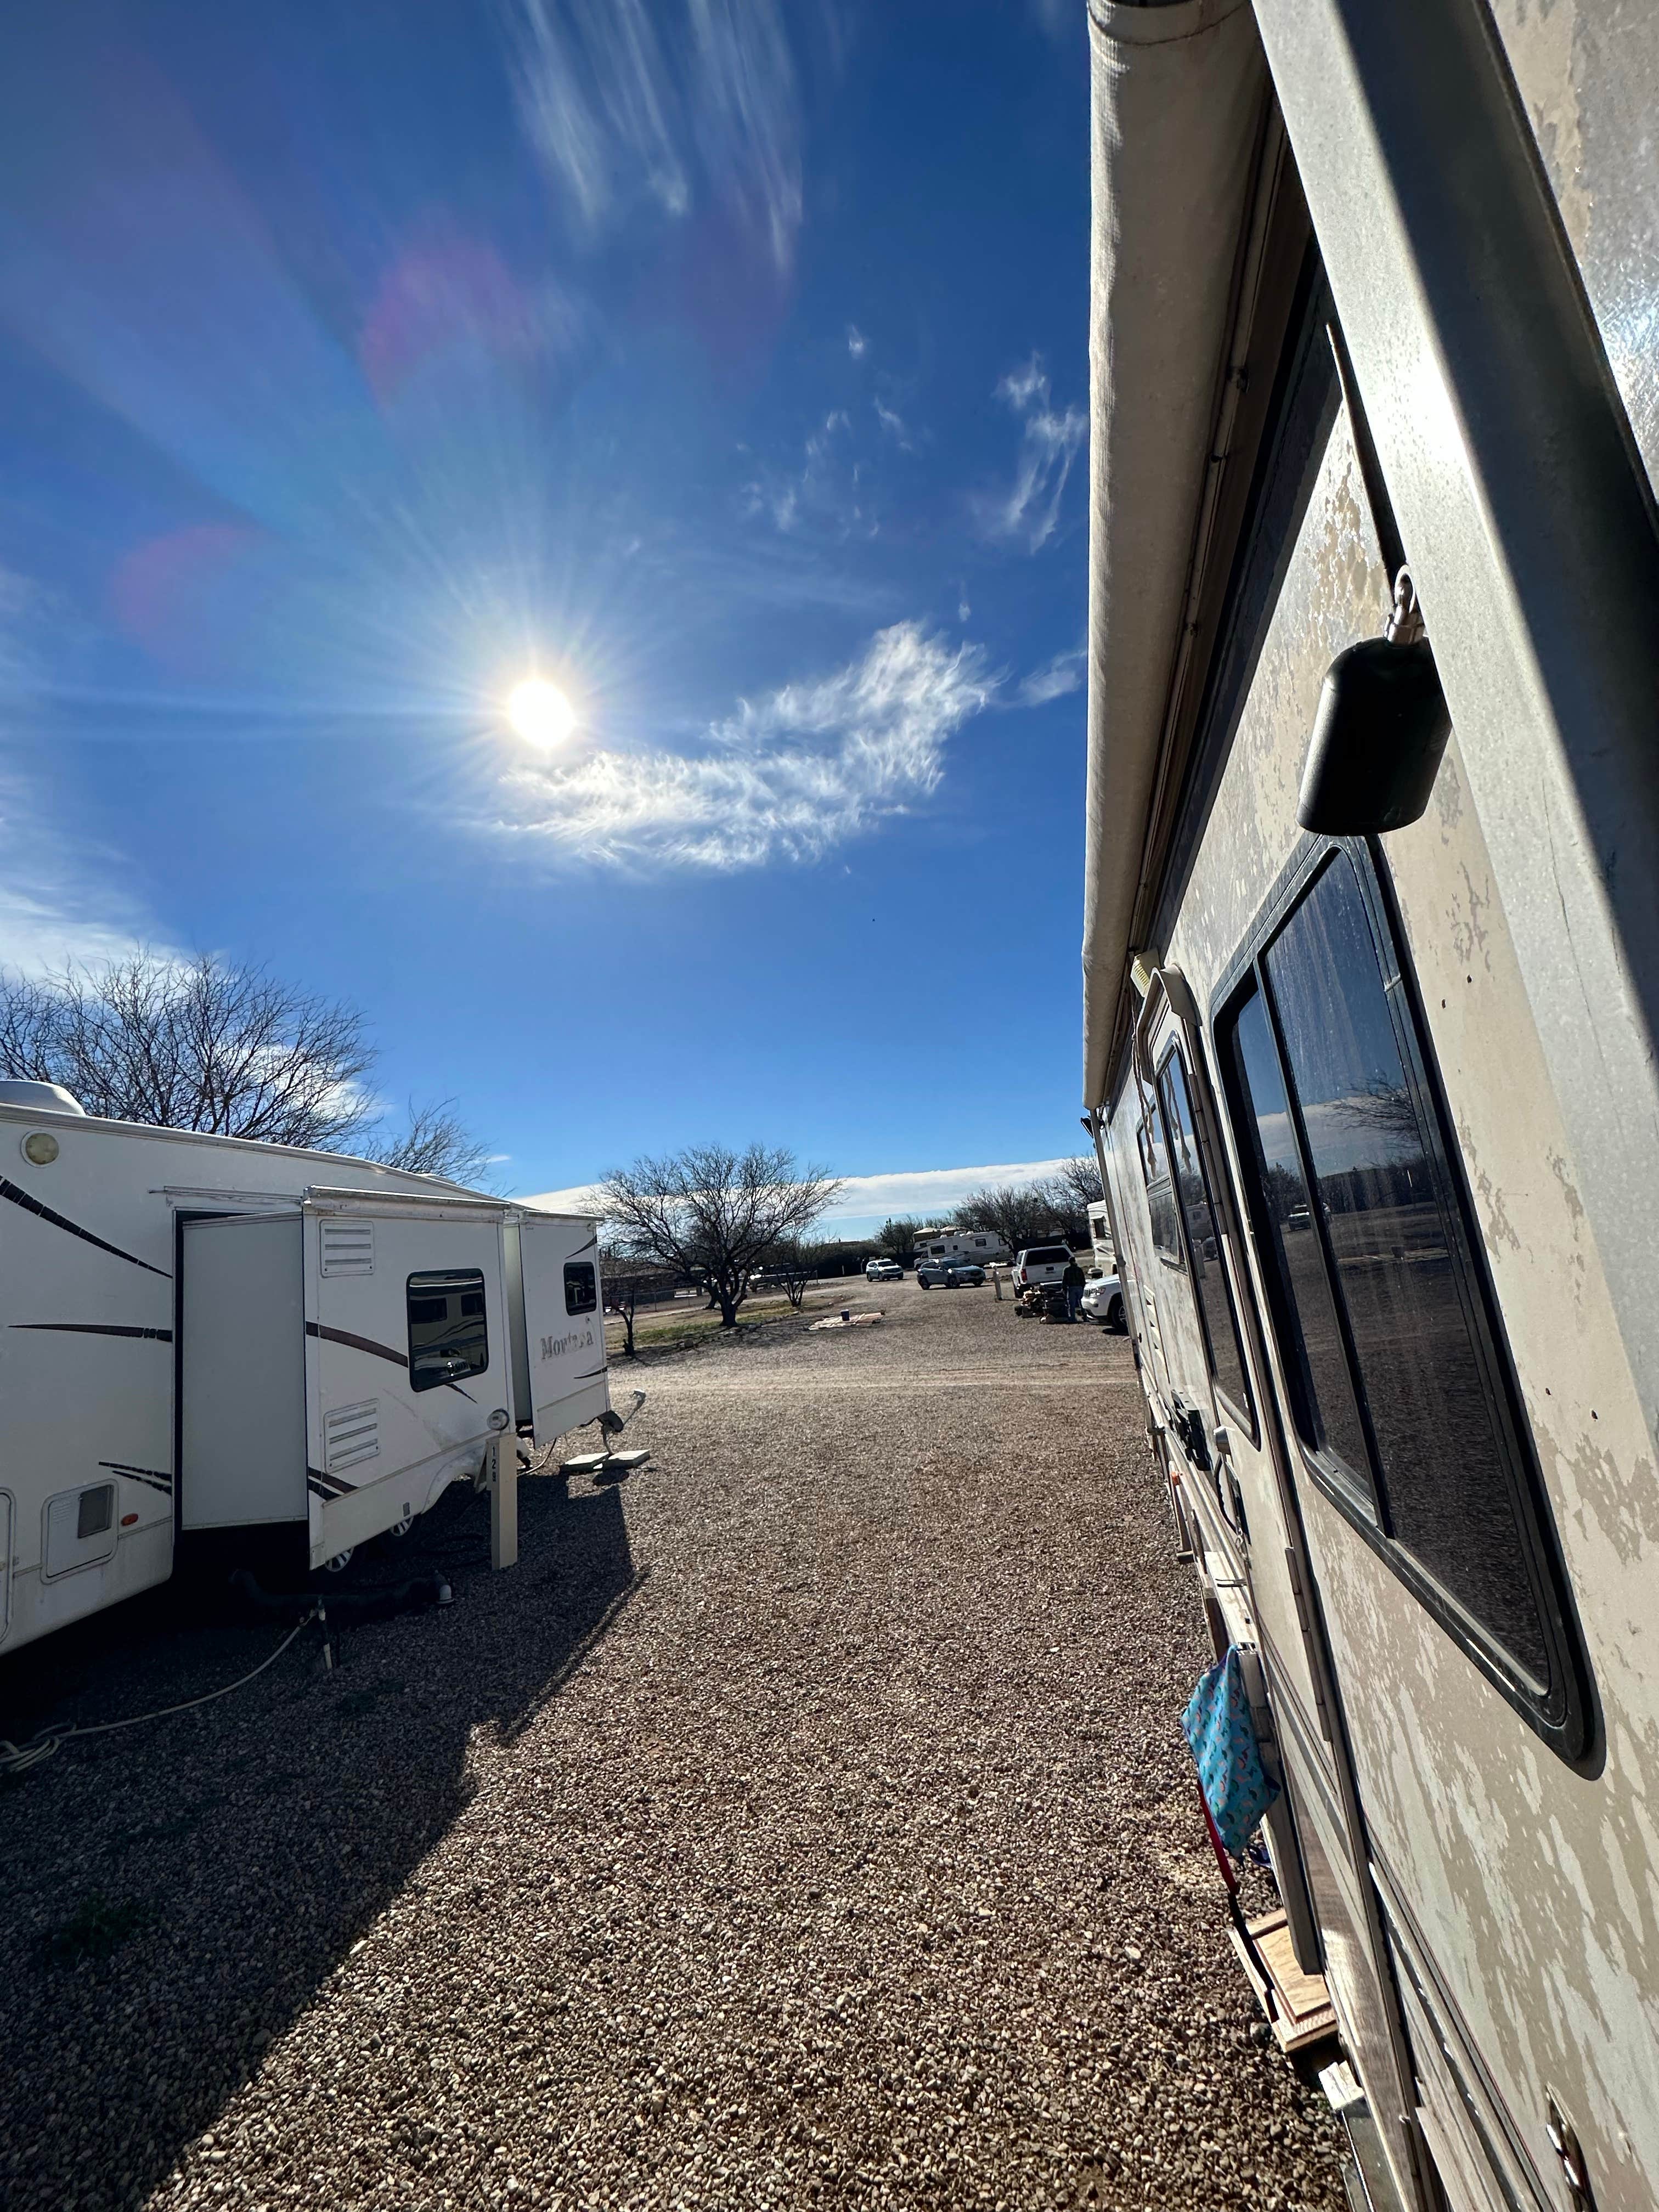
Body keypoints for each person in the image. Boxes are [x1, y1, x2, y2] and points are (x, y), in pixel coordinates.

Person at [1062, 1255, 1086, 1321]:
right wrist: (1083, 1287)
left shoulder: (1066, 1270)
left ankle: (1073, 1318)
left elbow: (1065, 1280)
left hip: (1071, 1288)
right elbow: (1083, 1279)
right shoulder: (1079, 1269)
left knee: (1071, 1304)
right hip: (1079, 1287)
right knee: (1082, 1303)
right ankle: (1085, 1316)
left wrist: (1064, 1289)